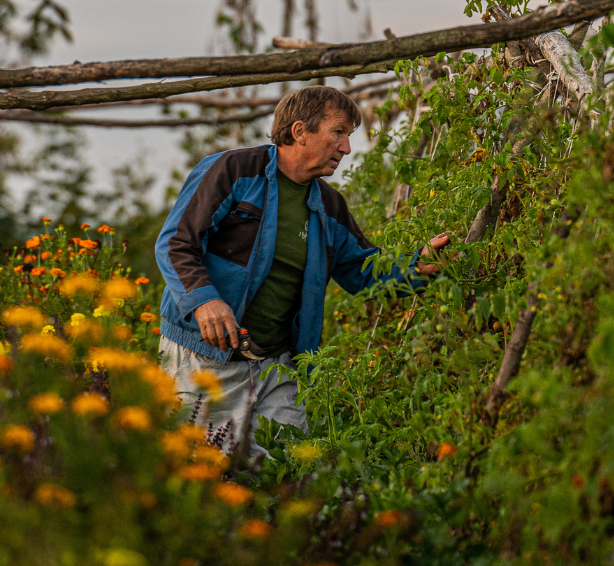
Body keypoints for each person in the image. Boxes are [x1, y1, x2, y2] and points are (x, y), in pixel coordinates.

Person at [155, 85, 449, 456]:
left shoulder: (328, 205)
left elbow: (364, 269)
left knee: (290, 466)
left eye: (348, 136)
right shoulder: (233, 171)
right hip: (202, 355)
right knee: (197, 468)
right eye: (338, 132)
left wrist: (416, 265)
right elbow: (175, 243)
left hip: (275, 364)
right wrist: (204, 301)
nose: (346, 148)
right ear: (300, 131)